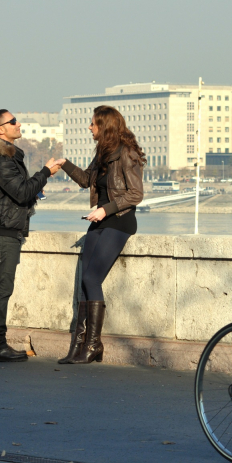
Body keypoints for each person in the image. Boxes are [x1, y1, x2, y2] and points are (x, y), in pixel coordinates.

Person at [0, 109, 63, 362]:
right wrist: (45, 172)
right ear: (0, 129)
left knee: (0, 288)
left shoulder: (5, 157)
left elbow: (15, 194)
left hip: (5, 228)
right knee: (0, 289)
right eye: (13, 122)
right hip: (2, 231)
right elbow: (21, 193)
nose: (18, 124)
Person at [56, 105, 145, 364]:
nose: (89, 127)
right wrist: (64, 164)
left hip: (119, 221)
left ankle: (93, 344)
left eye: (92, 123)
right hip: (100, 221)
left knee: (92, 278)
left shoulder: (127, 154)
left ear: (104, 125)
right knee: (86, 279)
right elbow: (86, 180)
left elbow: (136, 194)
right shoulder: (103, 153)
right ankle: (79, 345)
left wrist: (105, 210)